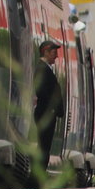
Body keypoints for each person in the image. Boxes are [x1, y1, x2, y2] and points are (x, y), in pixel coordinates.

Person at [33, 41, 64, 178]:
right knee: (44, 146)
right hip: (45, 114)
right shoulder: (41, 69)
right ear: (45, 52)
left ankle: (40, 175)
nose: (56, 57)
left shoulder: (44, 68)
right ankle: (38, 176)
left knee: (45, 146)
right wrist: (52, 108)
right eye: (54, 53)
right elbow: (42, 91)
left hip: (46, 113)